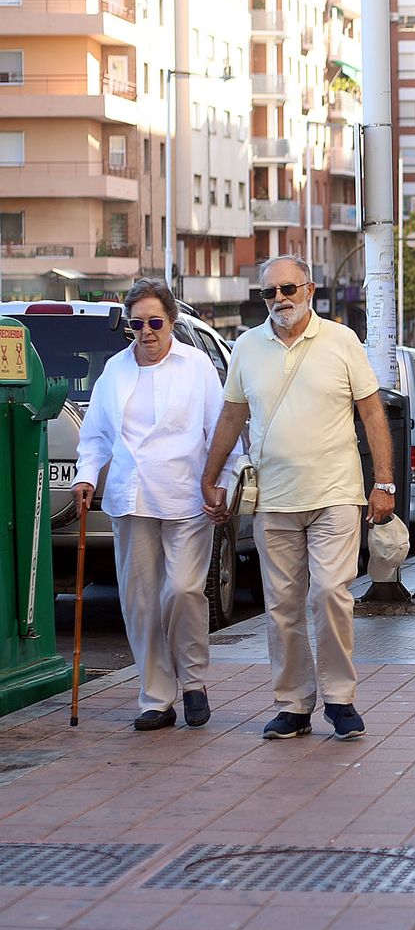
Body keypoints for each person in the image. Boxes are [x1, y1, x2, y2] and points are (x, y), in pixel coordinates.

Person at [201, 255, 395, 742]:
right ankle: (292, 704)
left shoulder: (341, 341)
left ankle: (340, 698)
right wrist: (211, 476)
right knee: (282, 605)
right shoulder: (247, 346)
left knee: (330, 593)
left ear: (310, 289)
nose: (279, 299)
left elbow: (372, 413)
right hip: (273, 499)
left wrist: (384, 481)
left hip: (335, 492)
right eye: (269, 292)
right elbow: (231, 417)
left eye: (288, 288)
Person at [72, 279, 236, 731]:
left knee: (182, 591)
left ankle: (194, 682)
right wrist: (87, 476)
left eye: (155, 322)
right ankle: (156, 697)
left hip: (187, 497)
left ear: (171, 322)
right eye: (137, 323)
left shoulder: (197, 366)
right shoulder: (115, 371)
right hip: (132, 497)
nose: (146, 331)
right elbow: (97, 435)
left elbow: (218, 430)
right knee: (140, 601)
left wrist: (222, 481)